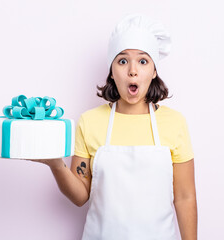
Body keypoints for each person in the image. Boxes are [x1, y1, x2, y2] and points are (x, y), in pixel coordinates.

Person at [31, 13, 197, 240]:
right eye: (122, 61)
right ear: (112, 71)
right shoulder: (89, 121)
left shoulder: (174, 123)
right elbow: (80, 196)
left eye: (143, 61)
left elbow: (185, 196)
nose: (132, 70)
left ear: (154, 70)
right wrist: (56, 166)